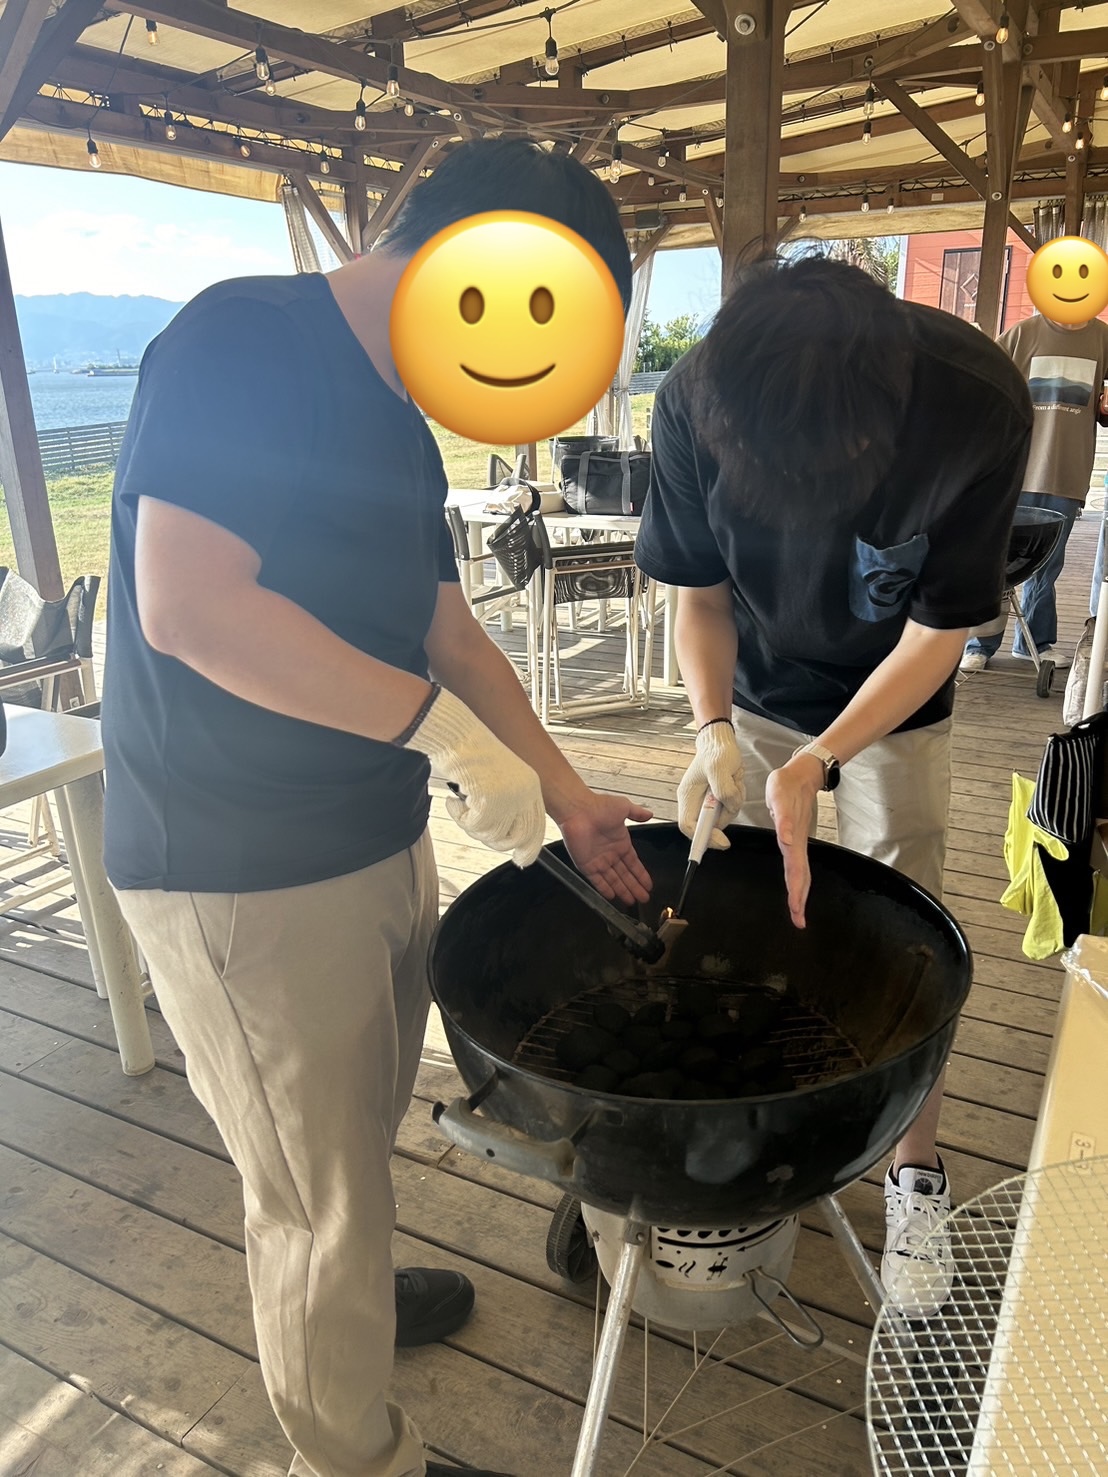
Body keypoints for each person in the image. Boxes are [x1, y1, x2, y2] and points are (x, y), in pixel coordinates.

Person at [101, 138, 653, 1477]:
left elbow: (445, 628)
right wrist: (442, 734)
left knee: (351, 1132)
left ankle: (351, 1297)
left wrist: (564, 789)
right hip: (239, 861)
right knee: (310, 1197)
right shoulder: (243, 340)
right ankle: (352, 1451)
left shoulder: (396, 413)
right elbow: (192, 603)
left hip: (369, 831)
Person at [635, 253, 1031, 1317]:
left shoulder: (975, 406)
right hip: (752, 684)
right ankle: (765, 1114)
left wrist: (822, 759)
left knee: (905, 927)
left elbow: (937, 632)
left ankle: (914, 1171)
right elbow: (699, 596)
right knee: (745, 896)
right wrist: (712, 727)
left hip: (897, 693)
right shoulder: (695, 395)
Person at [960, 305, 1108, 673]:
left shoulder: (1103, 337)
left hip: (1067, 470)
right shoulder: (1021, 334)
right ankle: (980, 644)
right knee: (997, 561)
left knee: (1048, 564)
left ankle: (1034, 644)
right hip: (1013, 469)